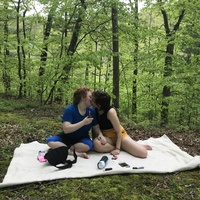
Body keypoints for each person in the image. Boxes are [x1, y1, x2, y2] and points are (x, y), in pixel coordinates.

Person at [92, 90, 152, 158]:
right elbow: (95, 127)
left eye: (92, 99)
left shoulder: (110, 112)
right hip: (106, 137)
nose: (91, 100)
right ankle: (123, 147)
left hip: (118, 136)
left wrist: (117, 149)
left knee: (143, 153)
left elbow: (119, 132)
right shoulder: (94, 110)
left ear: (99, 104)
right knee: (96, 144)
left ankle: (125, 146)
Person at [46, 86, 101, 159]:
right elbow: (66, 129)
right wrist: (83, 122)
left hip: (82, 139)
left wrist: (100, 134)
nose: (92, 99)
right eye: (90, 97)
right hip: (66, 137)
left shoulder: (91, 111)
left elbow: (95, 126)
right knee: (50, 141)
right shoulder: (70, 109)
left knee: (88, 145)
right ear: (83, 98)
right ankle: (72, 152)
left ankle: (62, 149)